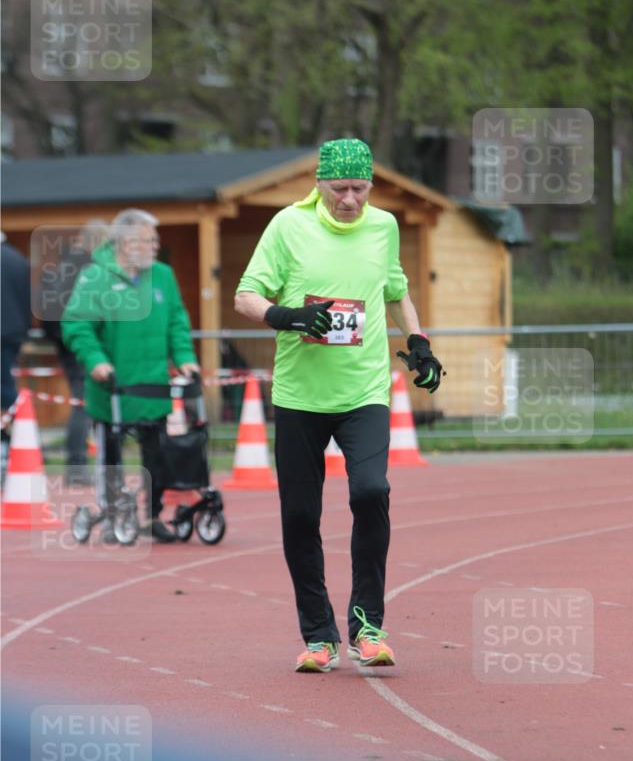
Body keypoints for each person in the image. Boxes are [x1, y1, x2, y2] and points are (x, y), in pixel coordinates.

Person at [235, 137, 444, 672]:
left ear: (371, 185)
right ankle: (319, 636)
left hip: (364, 391)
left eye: (359, 188)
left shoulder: (384, 226)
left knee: (372, 491)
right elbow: (246, 296)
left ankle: (367, 627)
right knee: (301, 516)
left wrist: (418, 342)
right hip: (301, 396)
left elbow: (395, 290)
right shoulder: (288, 226)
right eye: (339, 188)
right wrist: (289, 317)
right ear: (320, 183)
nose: (350, 199)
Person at [62, 208, 200, 542]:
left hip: (154, 386)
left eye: (155, 239)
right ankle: (113, 516)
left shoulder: (163, 275)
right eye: (146, 240)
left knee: (157, 453)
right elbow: (77, 324)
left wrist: (184, 357)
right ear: (124, 243)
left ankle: (151, 516)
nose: (155, 245)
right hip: (112, 387)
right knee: (112, 454)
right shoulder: (95, 277)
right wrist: (94, 360)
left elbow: (178, 321)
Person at [41, 219, 110, 484]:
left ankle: (78, 463)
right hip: (79, 339)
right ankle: (77, 466)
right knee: (84, 401)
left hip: (63, 337)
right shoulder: (89, 268)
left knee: (82, 399)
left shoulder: (63, 265)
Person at [1, 234, 32, 484]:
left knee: (5, 388)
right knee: (5, 385)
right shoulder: (18, 259)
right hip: (13, 333)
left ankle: (20, 432)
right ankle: (18, 432)